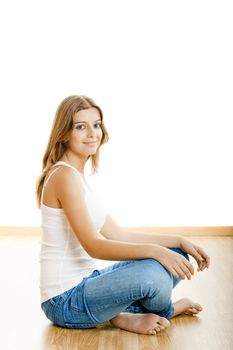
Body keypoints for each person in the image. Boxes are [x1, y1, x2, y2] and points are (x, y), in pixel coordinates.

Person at [36, 95, 210, 335]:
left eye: (96, 125)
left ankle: (117, 315)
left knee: (177, 254)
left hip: (88, 283)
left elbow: (117, 234)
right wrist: (156, 251)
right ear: (64, 133)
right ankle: (162, 311)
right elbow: (95, 246)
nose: (92, 133)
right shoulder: (64, 177)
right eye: (80, 126)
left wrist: (179, 241)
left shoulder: (77, 177)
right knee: (154, 277)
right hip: (65, 302)